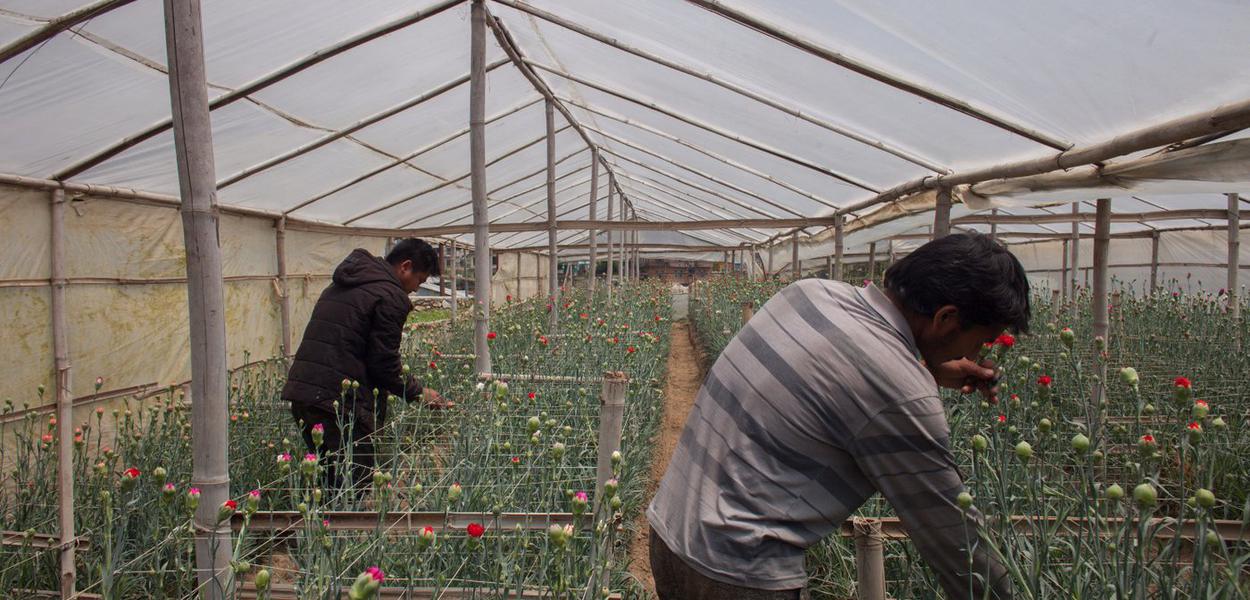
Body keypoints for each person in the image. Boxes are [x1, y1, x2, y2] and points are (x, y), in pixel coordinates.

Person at [647, 233, 1026, 600]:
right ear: (946, 317)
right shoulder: (899, 392)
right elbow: (952, 536)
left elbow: (832, 384)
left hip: (671, 535)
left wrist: (923, 373)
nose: (977, 353)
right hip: (740, 574)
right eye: (981, 340)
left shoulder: (810, 293)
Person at [283, 238, 446, 489]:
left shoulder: (347, 282)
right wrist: (417, 392)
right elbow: (383, 362)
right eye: (419, 281)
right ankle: (332, 525)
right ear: (405, 267)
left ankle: (319, 525)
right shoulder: (391, 296)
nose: (415, 289)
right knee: (354, 484)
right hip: (337, 401)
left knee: (330, 479)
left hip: (305, 393)